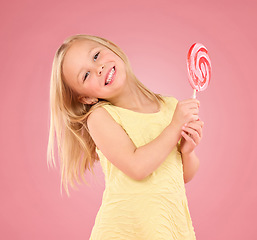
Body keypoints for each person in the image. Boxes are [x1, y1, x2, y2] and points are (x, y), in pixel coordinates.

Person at [47, 34, 204, 240]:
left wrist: (187, 151)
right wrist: (174, 127)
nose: (98, 68)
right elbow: (137, 167)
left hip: (167, 226)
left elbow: (182, 176)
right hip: (125, 231)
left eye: (96, 56)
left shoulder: (170, 107)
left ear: (111, 47)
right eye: (86, 75)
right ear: (86, 97)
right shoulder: (101, 117)